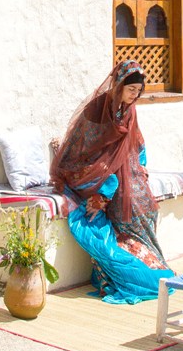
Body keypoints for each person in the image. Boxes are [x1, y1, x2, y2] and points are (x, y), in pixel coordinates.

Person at [50, 60, 173, 304]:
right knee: (117, 193)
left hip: (120, 168)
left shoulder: (130, 109)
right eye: (131, 90)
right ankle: (126, 269)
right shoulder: (97, 110)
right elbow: (84, 147)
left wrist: (141, 166)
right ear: (118, 86)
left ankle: (151, 261)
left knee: (142, 204)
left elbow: (136, 142)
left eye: (138, 91)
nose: (135, 95)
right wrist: (103, 185)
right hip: (87, 168)